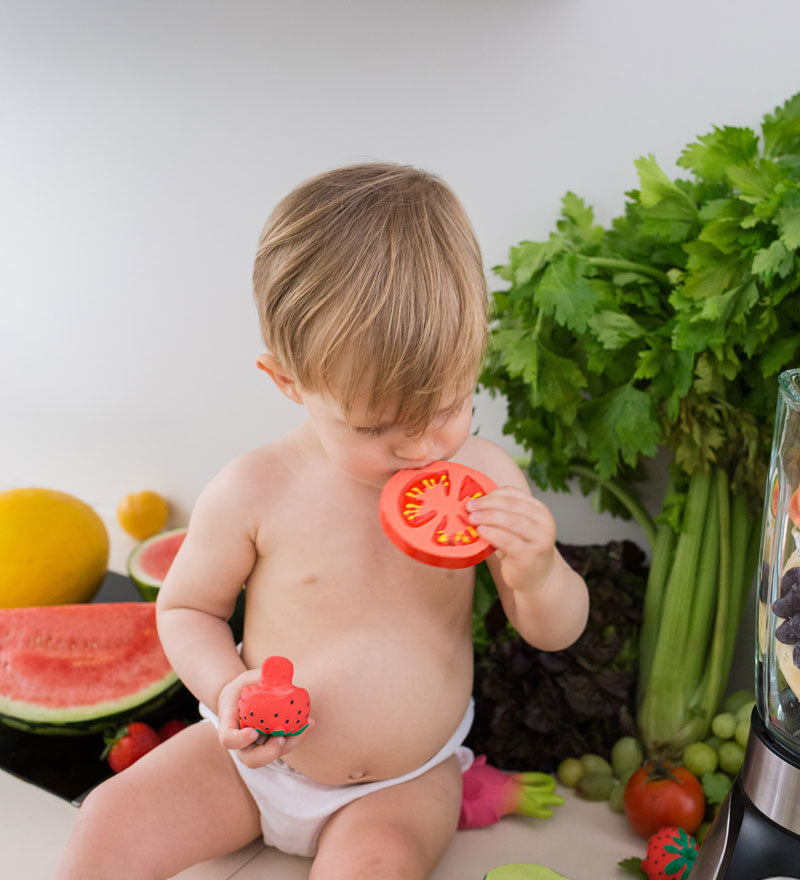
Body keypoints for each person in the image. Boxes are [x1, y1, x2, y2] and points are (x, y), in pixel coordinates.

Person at [56, 162, 589, 880]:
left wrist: (541, 571)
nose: (423, 448)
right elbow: (186, 608)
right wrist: (225, 691)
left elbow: (554, 630)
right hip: (249, 767)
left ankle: (449, 795)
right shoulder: (256, 487)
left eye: (447, 408)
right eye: (376, 427)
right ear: (288, 382)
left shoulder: (488, 477)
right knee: (108, 823)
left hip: (401, 782)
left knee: (374, 867)